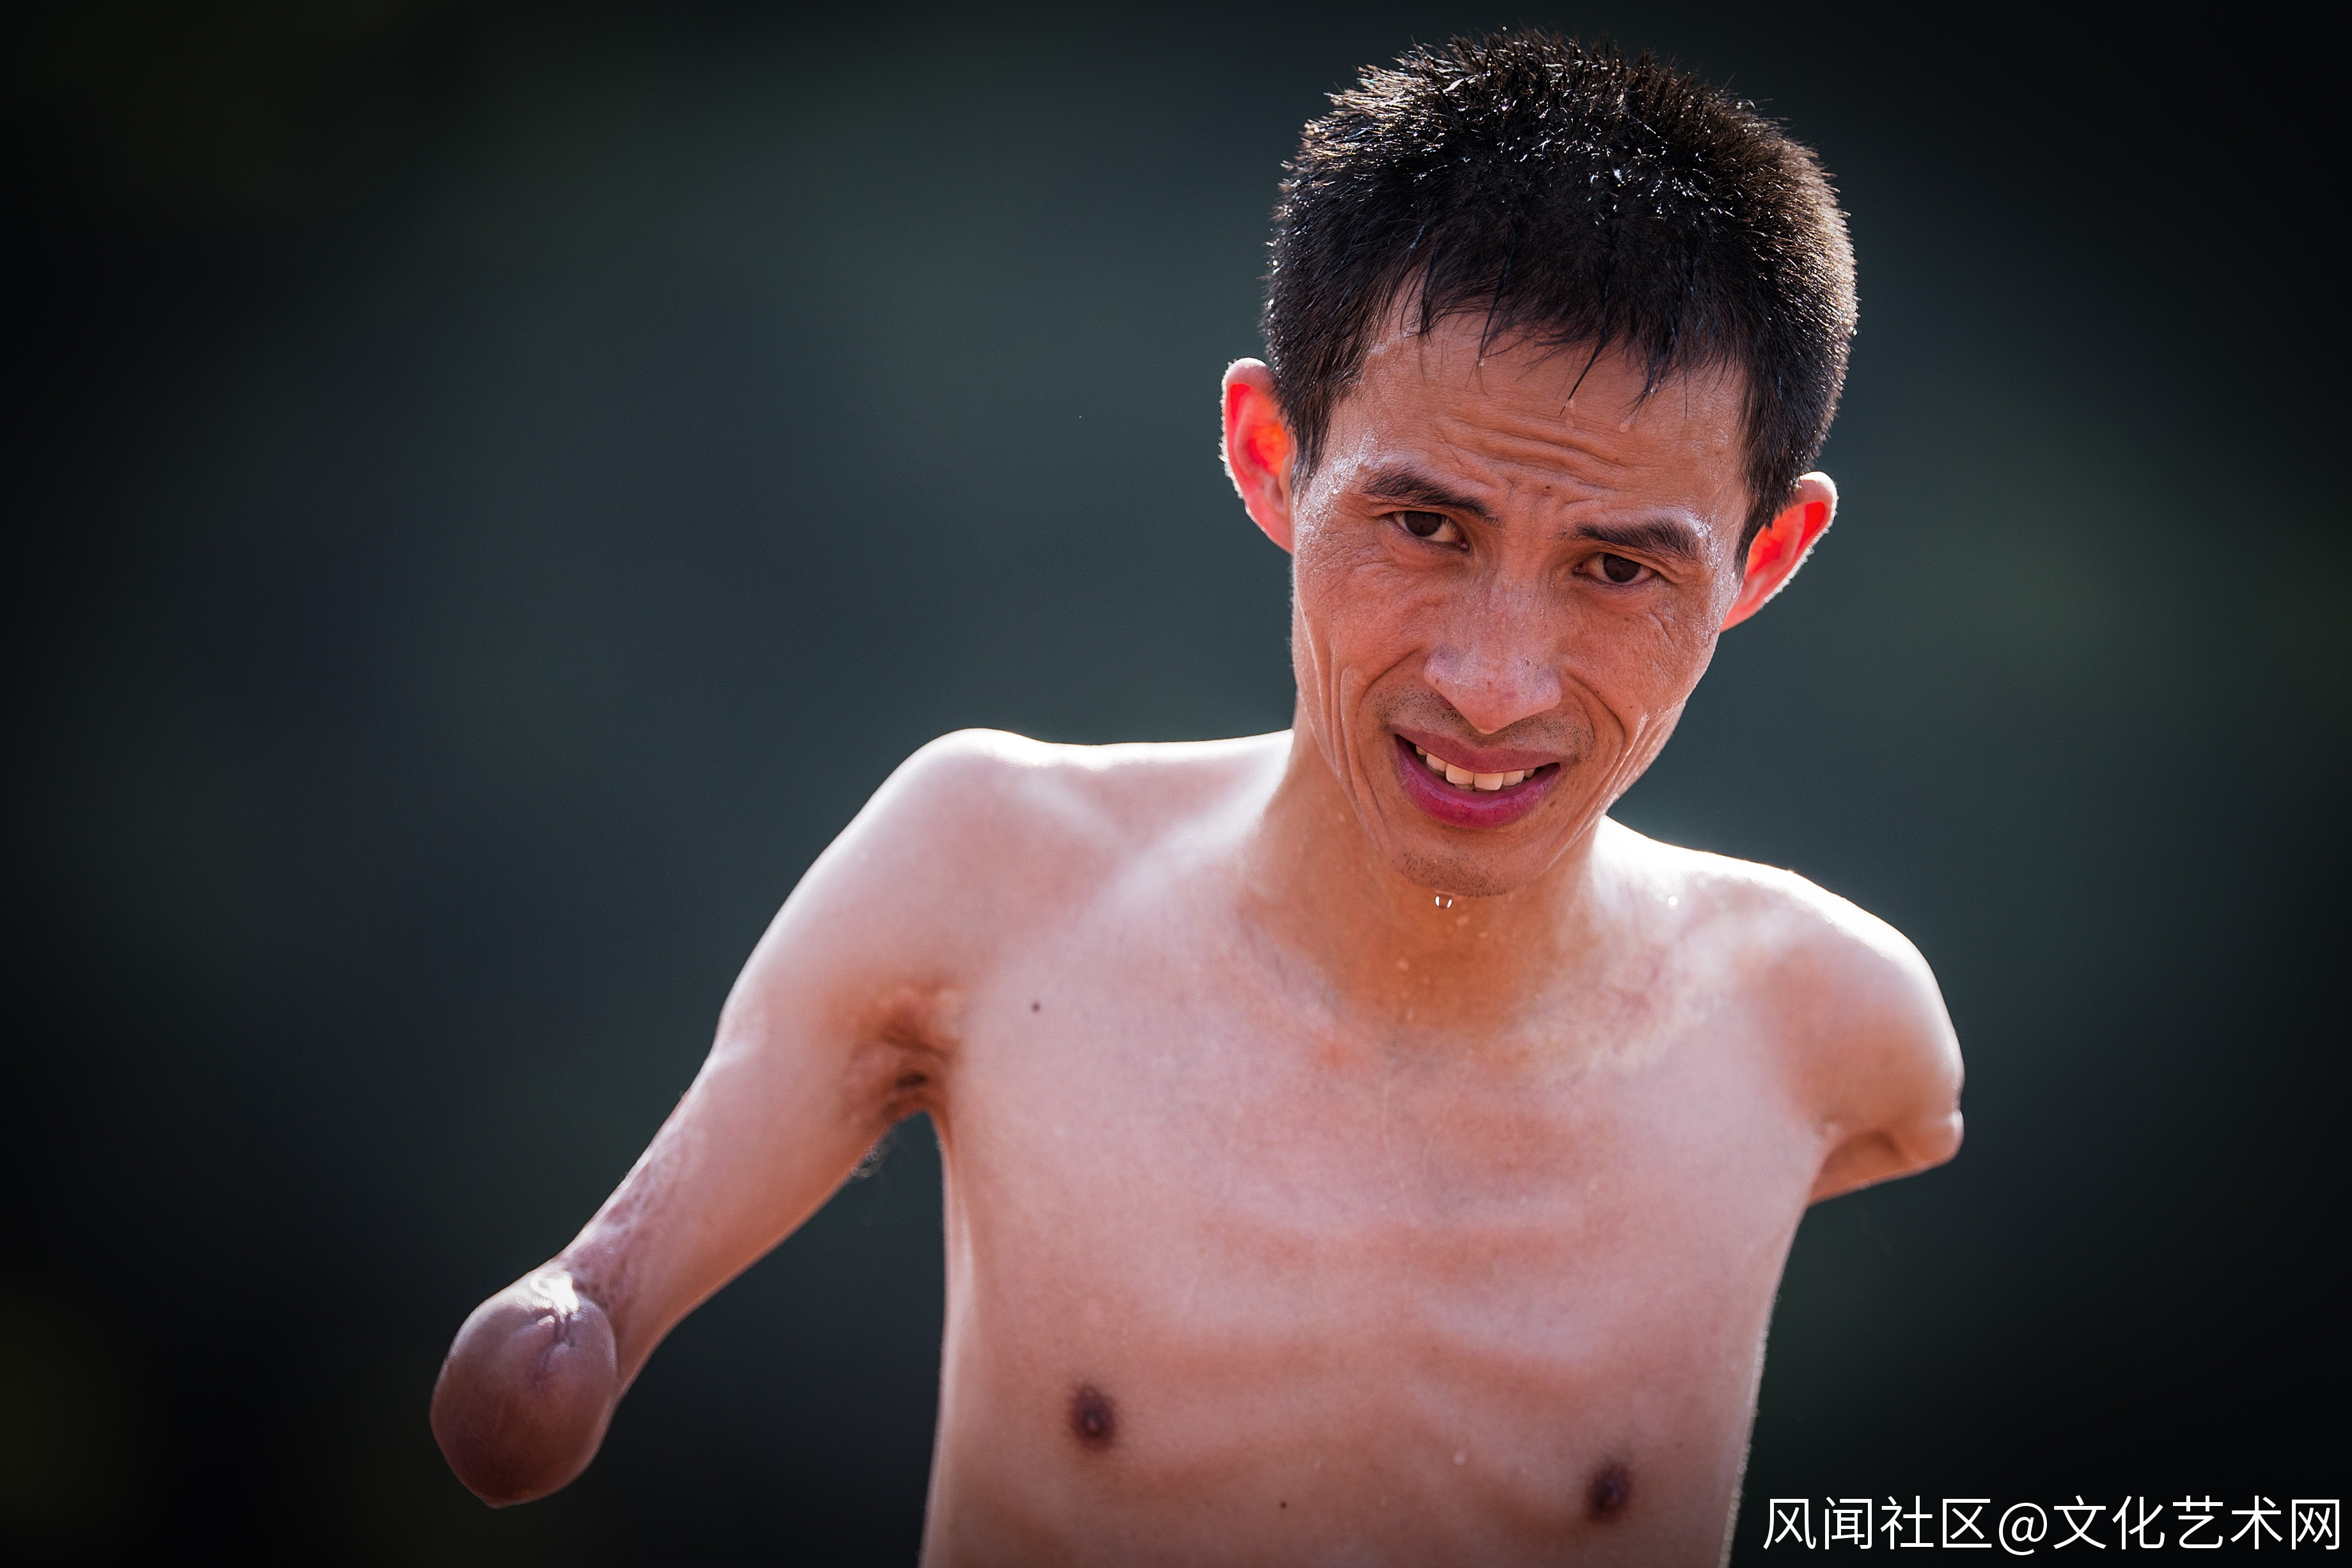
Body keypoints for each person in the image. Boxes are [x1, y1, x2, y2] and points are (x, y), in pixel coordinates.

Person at [430, 29, 1963, 1564]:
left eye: (1617, 568)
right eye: (1425, 526)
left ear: (1763, 560)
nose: (1496, 685)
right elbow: (585, 1305)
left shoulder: (1836, 1034)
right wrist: (574, 1320)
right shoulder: (989, 881)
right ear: (1269, 454)